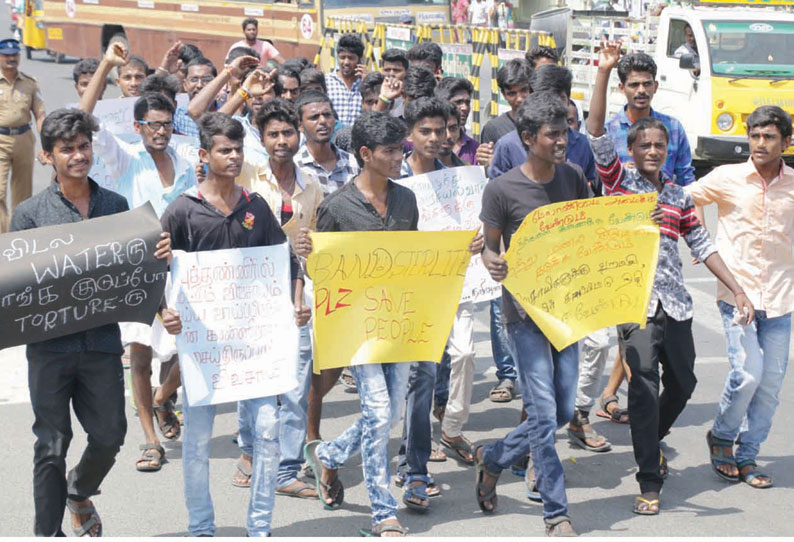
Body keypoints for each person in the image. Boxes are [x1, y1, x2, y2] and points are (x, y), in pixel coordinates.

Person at [587, 39, 754, 516]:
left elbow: (700, 243)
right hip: (633, 304)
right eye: (645, 145)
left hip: (675, 303)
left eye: (660, 145)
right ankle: (648, 478)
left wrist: (737, 287)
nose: (654, 151)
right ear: (632, 150)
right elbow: (596, 130)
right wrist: (604, 72)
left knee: (682, 383)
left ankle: (650, 437)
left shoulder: (679, 196)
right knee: (642, 386)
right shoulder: (618, 183)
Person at [11, 108, 173, 536]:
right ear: (47, 157)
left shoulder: (116, 207)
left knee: (110, 436)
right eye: (67, 149)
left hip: (101, 344)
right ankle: (47, 532)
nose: (78, 156)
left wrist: (160, 286)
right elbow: (17, 284)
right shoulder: (29, 215)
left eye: (84, 146)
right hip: (49, 350)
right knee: (51, 445)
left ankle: (78, 490)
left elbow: (136, 273)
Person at [161, 112, 309, 536]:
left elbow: (287, 261)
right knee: (197, 443)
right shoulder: (183, 211)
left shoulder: (254, 206)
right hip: (205, 350)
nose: (233, 156)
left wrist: (297, 301)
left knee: (266, 430)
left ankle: (259, 527)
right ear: (204, 155)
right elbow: (153, 270)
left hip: (253, 347)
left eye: (238, 149)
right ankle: (202, 527)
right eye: (224, 150)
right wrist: (163, 312)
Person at [80, 43, 199, 472]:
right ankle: (149, 439)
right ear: (138, 126)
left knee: (189, 350)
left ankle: (165, 399)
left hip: (181, 268)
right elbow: (85, 115)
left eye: (167, 124)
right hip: (137, 272)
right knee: (142, 355)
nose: (161, 131)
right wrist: (108, 66)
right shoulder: (125, 159)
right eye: (152, 125)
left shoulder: (186, 163)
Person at [478, 91, 591, 536]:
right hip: (524, 316)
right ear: (528, 138)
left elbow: (588, 231)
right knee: (543, 414)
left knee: (563, 411)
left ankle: (494, 458)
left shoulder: (575, 177)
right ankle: (555, 511)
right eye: (553, 134)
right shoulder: (501, 189)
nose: (562, 140)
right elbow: (489, 248)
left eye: (565, 131)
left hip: (567, 312)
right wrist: (492, 262)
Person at [300, 112, 417, 537]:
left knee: (392, 411)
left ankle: (329, 456)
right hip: (357, 325)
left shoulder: (407, 200)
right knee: (380, 410)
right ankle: (383, 511)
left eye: (400, 148)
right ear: (366, 155)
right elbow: (320, 272)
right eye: (390, 151)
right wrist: (308, 254)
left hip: (399, 322)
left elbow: (417, 258)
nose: (399, 156)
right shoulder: (336, 208)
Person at [686, 106, 794, 489]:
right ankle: (721, 435)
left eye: (769, 137)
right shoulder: (727, 177)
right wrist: (697, 232)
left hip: (781, 301)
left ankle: (748, 455)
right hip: (738, 296)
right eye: (755, 136)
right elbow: (682, 199)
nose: (760, 144)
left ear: (786, 142)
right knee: (748, 375)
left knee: (770, 385)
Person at [231, 98, 322, 498]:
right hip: (251, 290)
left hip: (295, 290)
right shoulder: (247, 175)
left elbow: (315, 244)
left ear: (298, 136)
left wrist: (309, 243)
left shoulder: (312, 186)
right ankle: (249, 450)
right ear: (262, 139)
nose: (282, 140)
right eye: (273, 134)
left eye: (288, 133)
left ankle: (288, 469)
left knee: (296, 379)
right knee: (253, 376)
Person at [607, 49, 695, 186]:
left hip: (664, 205)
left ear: (655, 86)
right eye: (634, 85)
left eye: (647, 84)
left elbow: (686, 179)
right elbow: (597, 178)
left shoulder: (673, 127)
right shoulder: (608, 130)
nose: (641, 90)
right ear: (622, 88)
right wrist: (619, 172)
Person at [0, 37, 45, 233]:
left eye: (14, 55)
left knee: (23, 194)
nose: (11, 59)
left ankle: (18, 237)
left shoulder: (30, 83)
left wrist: (48, 144)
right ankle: (3, 237)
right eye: (6, 55)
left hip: (24, 140)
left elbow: (40, 115)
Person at [295, 90, 359, 193]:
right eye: (314, 117)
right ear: (300, 125)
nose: (323, 121)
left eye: (327, 115)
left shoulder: (353, 163)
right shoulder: (296, 166)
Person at [481, 58, 531, 145]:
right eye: (512, 94)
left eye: (524, 90)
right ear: (504, 95)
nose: (519, 99)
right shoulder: (493, 129)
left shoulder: (546, 124)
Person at [435, 76, 479, 165]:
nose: (465, 108)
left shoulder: (474, 148)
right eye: (458, 102)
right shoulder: (426, 145)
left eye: (467, 103)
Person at [325, 34, 367, 126]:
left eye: (351, 58)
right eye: (342, 57)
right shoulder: (327, 82)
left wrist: (367, 82)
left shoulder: (365, 83)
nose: (346, 62)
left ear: (359, 60)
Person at [174, 57, 218, 137]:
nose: (199, 85)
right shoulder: (177, 118)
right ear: (185, 85)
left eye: (206, 79)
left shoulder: (229, 115)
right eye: (194, 80)